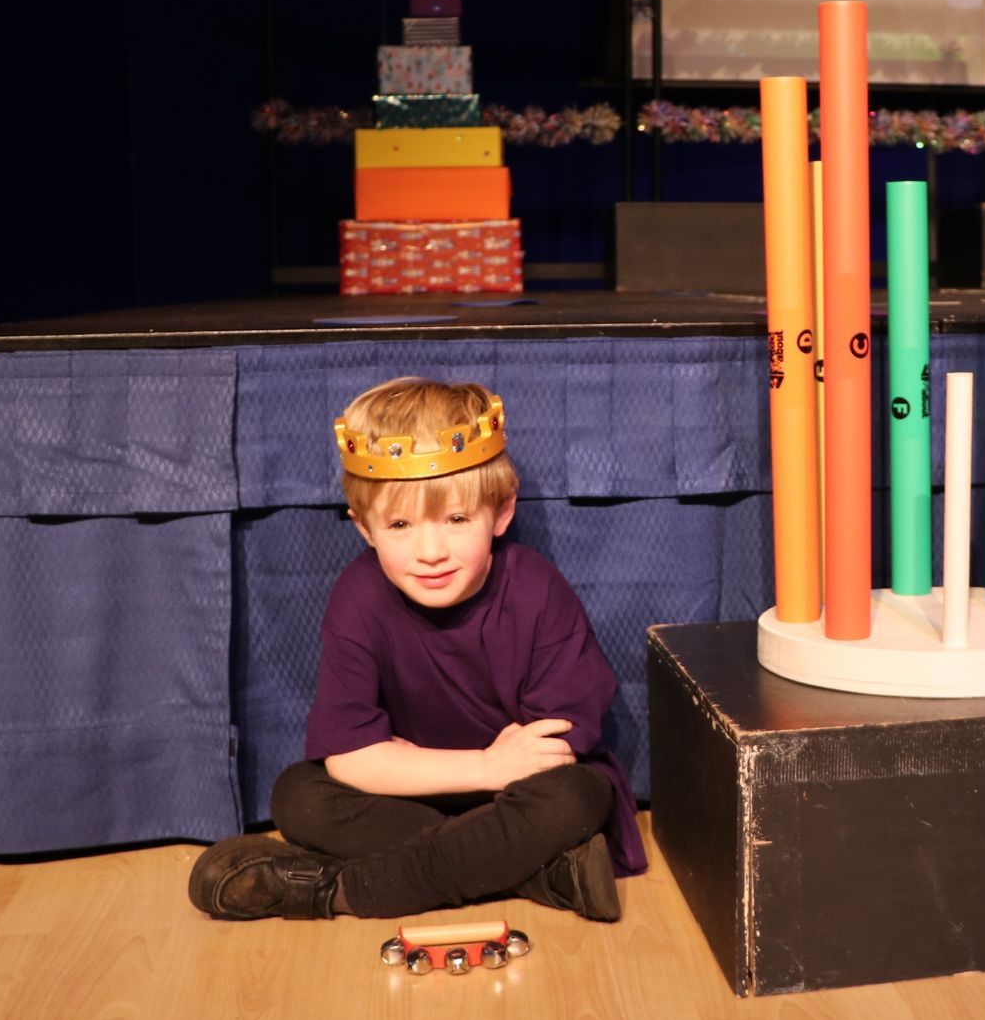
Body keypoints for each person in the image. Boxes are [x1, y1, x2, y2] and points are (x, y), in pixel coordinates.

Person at [188, 378, 644, 921]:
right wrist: (485, 766)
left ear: (500, 513)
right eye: (401, 524)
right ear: (364, 529)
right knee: (298, 794)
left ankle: (337, 891)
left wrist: (431, 765)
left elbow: (549, 755)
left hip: (519, 801)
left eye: (456, 519)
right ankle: (542, 873)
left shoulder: (537, 589)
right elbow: (352, 757)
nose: (431, 552)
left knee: (577, 796)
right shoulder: (357, 599)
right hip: (415, 796)